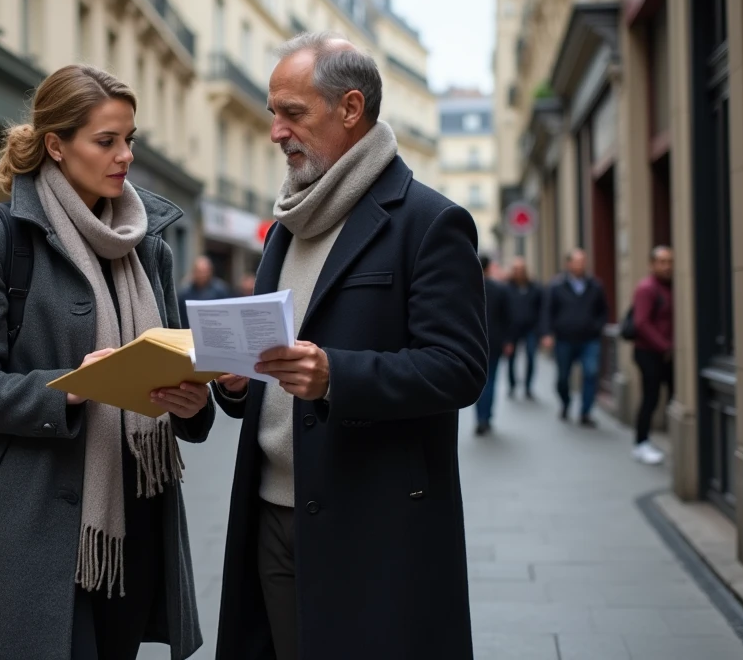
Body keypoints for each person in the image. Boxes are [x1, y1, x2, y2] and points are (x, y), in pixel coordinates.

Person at [212, 33, 488, 659]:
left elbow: (460, 369)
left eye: (292, 113)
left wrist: (336, 375)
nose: (276, 131)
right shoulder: (287, 225)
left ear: (350, 108)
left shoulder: (429, 221)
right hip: (272, 513)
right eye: (272, 113)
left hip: (376, 524)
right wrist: (237, 378)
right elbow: (278, 362)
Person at [0, 65, 214, 660]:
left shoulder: (151, 247)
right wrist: (68, 387)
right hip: (37, 521)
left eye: (130, 139)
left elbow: (175, 363)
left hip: (136, 514)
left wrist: (194, 402)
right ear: (57, 146)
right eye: (106, 141)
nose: (125, 156)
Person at [541, 248, 608, 426]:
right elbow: (548, 311)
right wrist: (547, 333)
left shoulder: (595, 285)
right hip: (564, 339)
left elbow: (603, 311)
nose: (580, 265)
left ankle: (585, 412)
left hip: (589, 339)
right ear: (568, 264)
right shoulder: (556, 286)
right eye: (576, 261)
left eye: (582, 261)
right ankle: (565, 402)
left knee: (591, 373)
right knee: (563, 377)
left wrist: (596, 327)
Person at [632, 246, 674, 465]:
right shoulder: (647, 289)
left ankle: (674, 439)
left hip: (668, 353)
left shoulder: (673, 287)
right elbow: (641, 323)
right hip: (649, 352)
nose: (667, 266)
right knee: (651, 397)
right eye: (662, 261)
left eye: (670, 261)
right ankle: (641, 443)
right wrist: (665, 346)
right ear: (652, 264)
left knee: (673, 396)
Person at [476, 254, 513, 436]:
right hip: (495, 342)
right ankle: (485, 418)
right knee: (490, 381)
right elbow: (508, 318)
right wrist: (508, 341)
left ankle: (481, 418)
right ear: (489, 268)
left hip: (474, 342)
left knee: (478, 381)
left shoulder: (467, 288)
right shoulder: (500, 290)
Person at [506, 256, 543, 399]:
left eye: (521, 269)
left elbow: (541, 309)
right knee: (511, 358)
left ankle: (528, 386)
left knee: (531, 356)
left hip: (531, 329)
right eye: (516, 269)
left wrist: (541, 329)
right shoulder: (507, 288)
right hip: (512, 329)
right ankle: (512, 385)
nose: (519, 272)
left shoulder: (535, 288)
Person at [177, 255, 230, 327]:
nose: (202, 275)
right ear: (194, 272)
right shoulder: (185, 291)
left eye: (205, 271)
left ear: (210, 271)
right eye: (199, 271)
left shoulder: (220, 290)